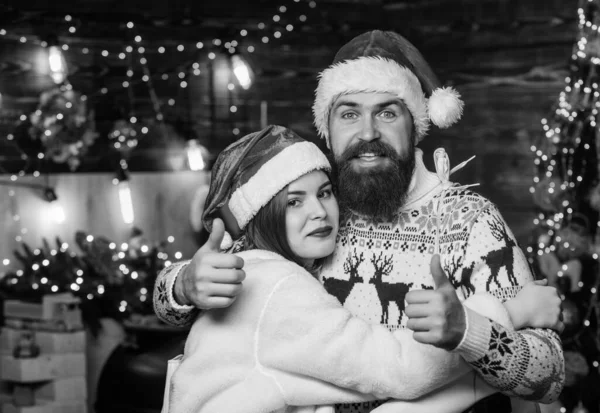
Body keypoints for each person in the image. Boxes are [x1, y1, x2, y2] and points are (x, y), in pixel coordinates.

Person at [154, 31, 565, 412]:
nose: (367, 132)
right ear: (328, 131)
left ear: (416, 124)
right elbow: (191, 303)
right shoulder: (308, 213)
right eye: (349, 114)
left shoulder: (469, 221)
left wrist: (471, 331)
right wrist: (183, 284)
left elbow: (549, 376)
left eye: (387, 113)